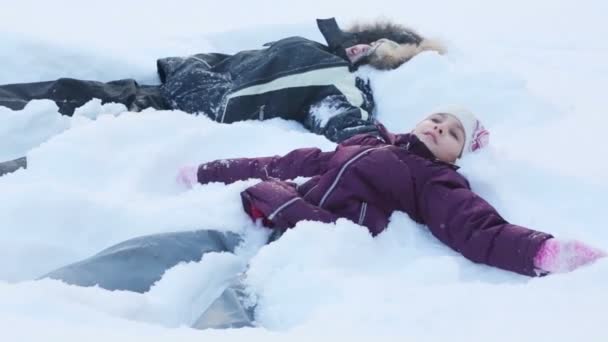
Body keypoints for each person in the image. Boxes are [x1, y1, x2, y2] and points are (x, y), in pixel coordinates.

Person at [43, 106, 605, 329]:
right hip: (270, 211)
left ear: (460, 156)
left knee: (240, 296)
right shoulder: (365, 142)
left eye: (453, 132)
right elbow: (286, 161)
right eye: (437, 118)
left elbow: (473, 226)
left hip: (309, 240)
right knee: (167, 249)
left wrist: (538, 251)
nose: (439, 128)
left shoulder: (434, 180)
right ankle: (48, 297)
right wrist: (213, 170)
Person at [0, 17, 444, 177]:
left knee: (72, 152)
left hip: (189, 115)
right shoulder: (309, 47)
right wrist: (190, 66)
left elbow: (345, 123)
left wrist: (399, 154)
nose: (360, 49)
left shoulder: (341, 85)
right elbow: (232, 61)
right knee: (66, 92)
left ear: (384, 61)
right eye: (366, 41)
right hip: (173, 89)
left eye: (374, 52)